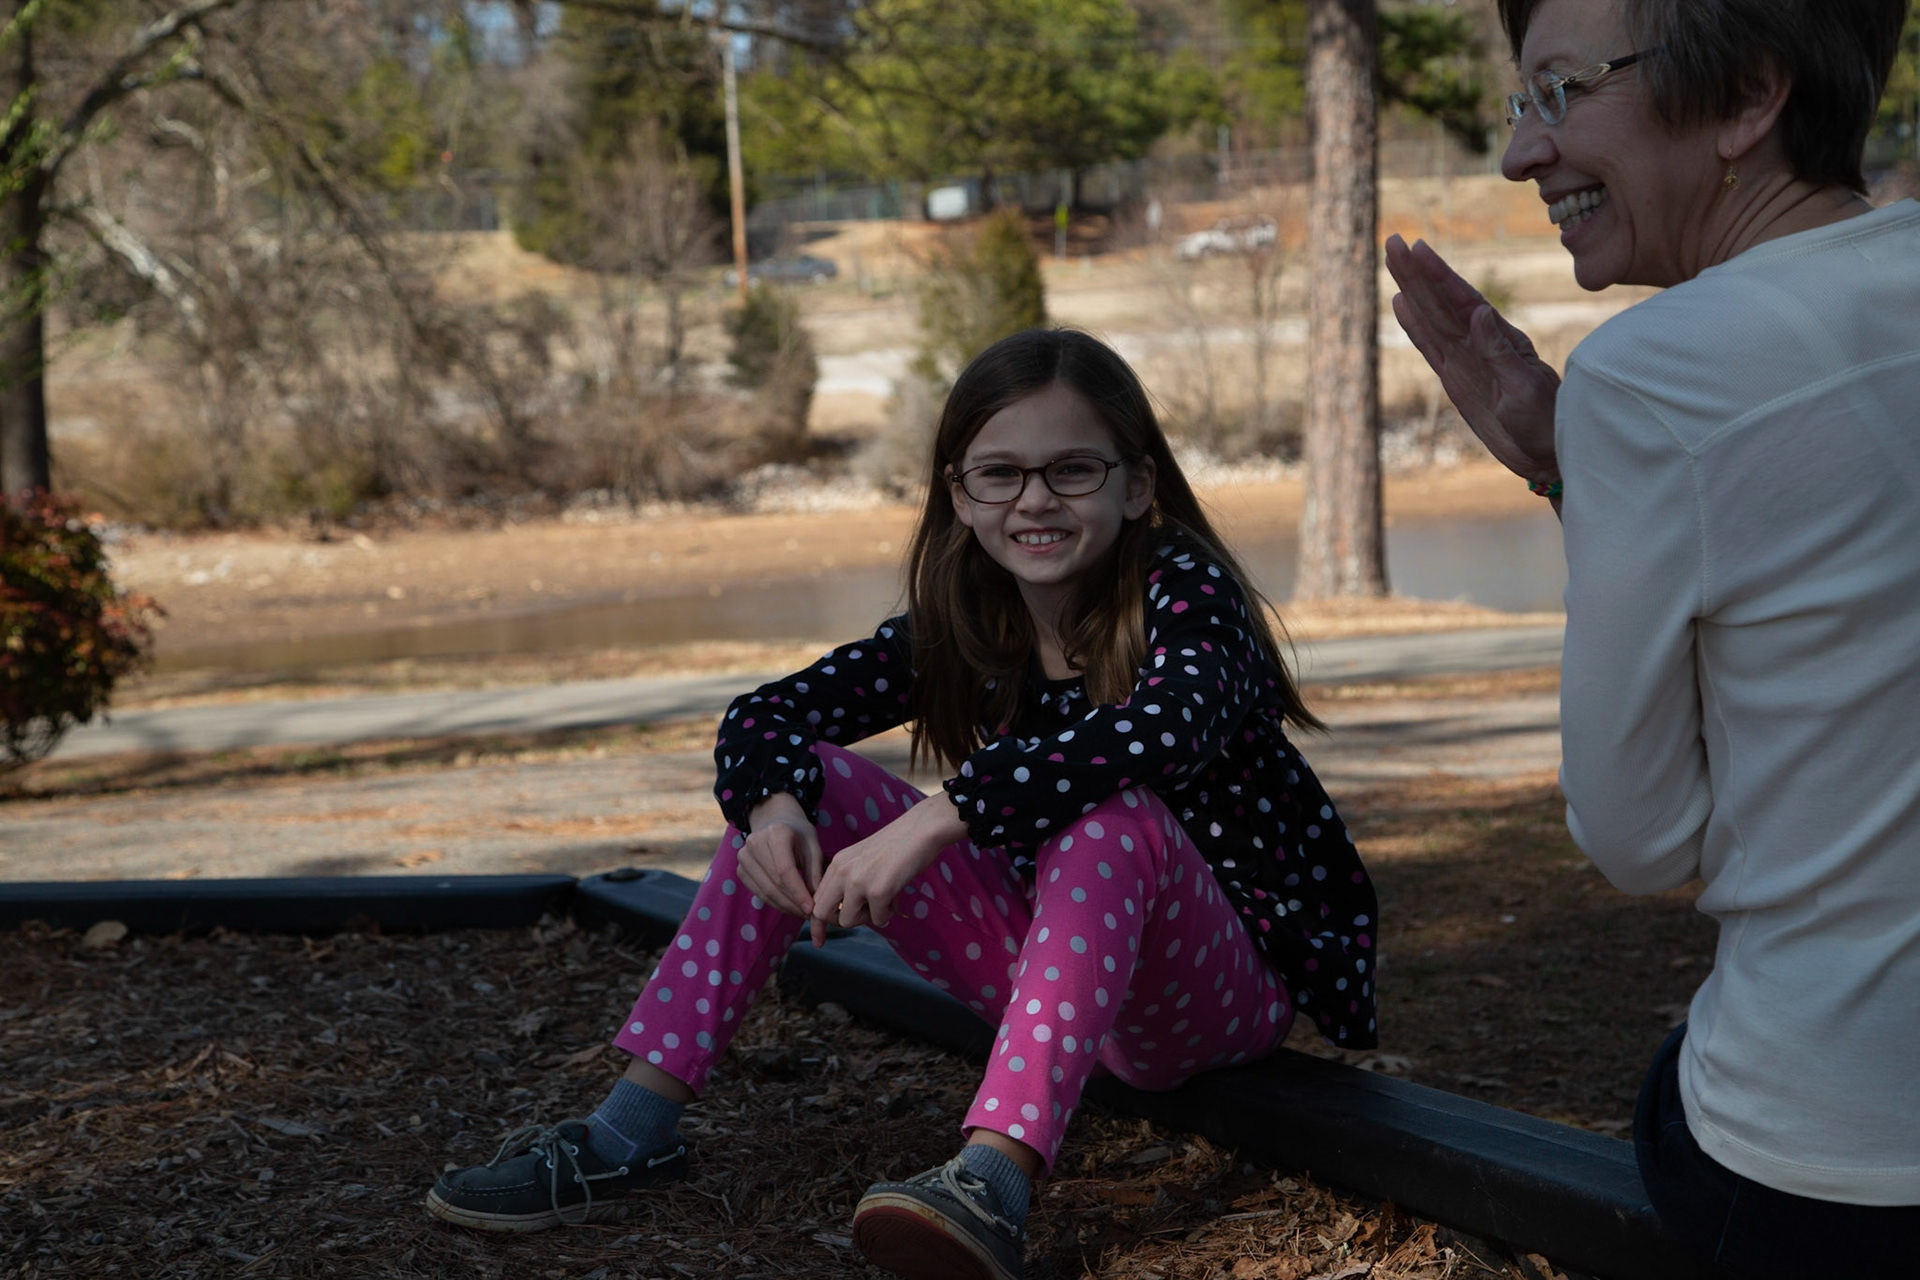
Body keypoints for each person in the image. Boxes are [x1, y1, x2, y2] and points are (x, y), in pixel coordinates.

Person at [423, 328, 1378, 1280]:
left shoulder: (1188, 594)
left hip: (1209, 998)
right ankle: (629, 1131)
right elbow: (766, 716)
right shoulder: (969, 621)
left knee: (1109, 812)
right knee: (806, 782)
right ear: (959, 494)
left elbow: (1158, 732)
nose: (1035, 499)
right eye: (999, 474)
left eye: (1073, 470)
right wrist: (773, 815)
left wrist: (937, 816)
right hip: (1055, 977)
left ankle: (990, 1182)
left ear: (1136, 486)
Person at [1386, 2, 1920, 1277]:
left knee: (1675, 1105)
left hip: (1836, 1155)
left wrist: (1578, 479)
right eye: (1523, 103)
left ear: (1747, 98)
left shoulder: (1652, 377)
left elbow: (1638, 839)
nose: (1523, 153)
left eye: (1562, 90)